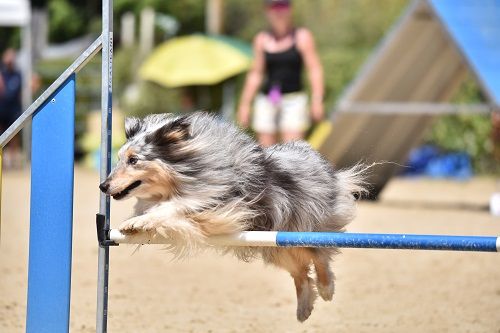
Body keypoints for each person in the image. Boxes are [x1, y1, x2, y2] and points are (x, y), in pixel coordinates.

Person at [237, 0, 324, 147]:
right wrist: (245, 104)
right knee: (266, 152)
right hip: (267, 99)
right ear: (267, 11)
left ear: (290, 9)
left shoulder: (302, 37)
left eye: (283, 6)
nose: (279, 11)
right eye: (274, 7)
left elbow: (314, 69)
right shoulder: (261, 39)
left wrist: (317, 100)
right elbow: (255, 74)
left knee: (293, 149)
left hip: (294, 100)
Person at [0, 48, 23, 168]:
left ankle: (14, 162)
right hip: (2, 107)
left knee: (14, 135)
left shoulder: (18, 74)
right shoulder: (1, 74)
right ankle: (2, 162)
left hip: (13, 108)